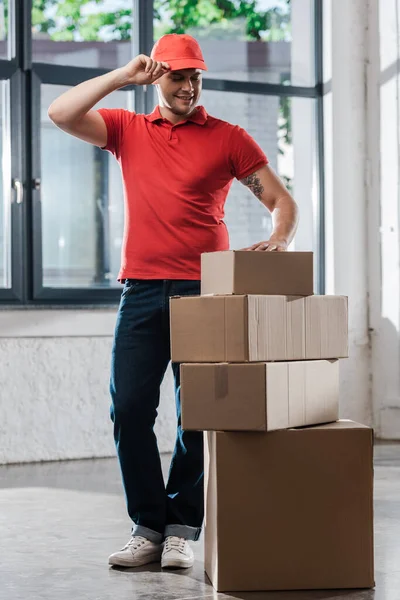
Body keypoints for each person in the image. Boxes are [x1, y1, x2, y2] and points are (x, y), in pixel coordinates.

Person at [48, 33, 299, 570]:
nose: (187, 85)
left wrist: (278, 239)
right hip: (140, 290)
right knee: (130, 409)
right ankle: (148, 527)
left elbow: (281, 200)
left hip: (206, 293)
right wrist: (121, 76)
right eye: (177, 75)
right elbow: (60, 112)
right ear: (157, 77)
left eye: (194, 76)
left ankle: (182, 527)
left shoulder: (228, 138)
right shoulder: (127, 129)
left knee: (198, 413)